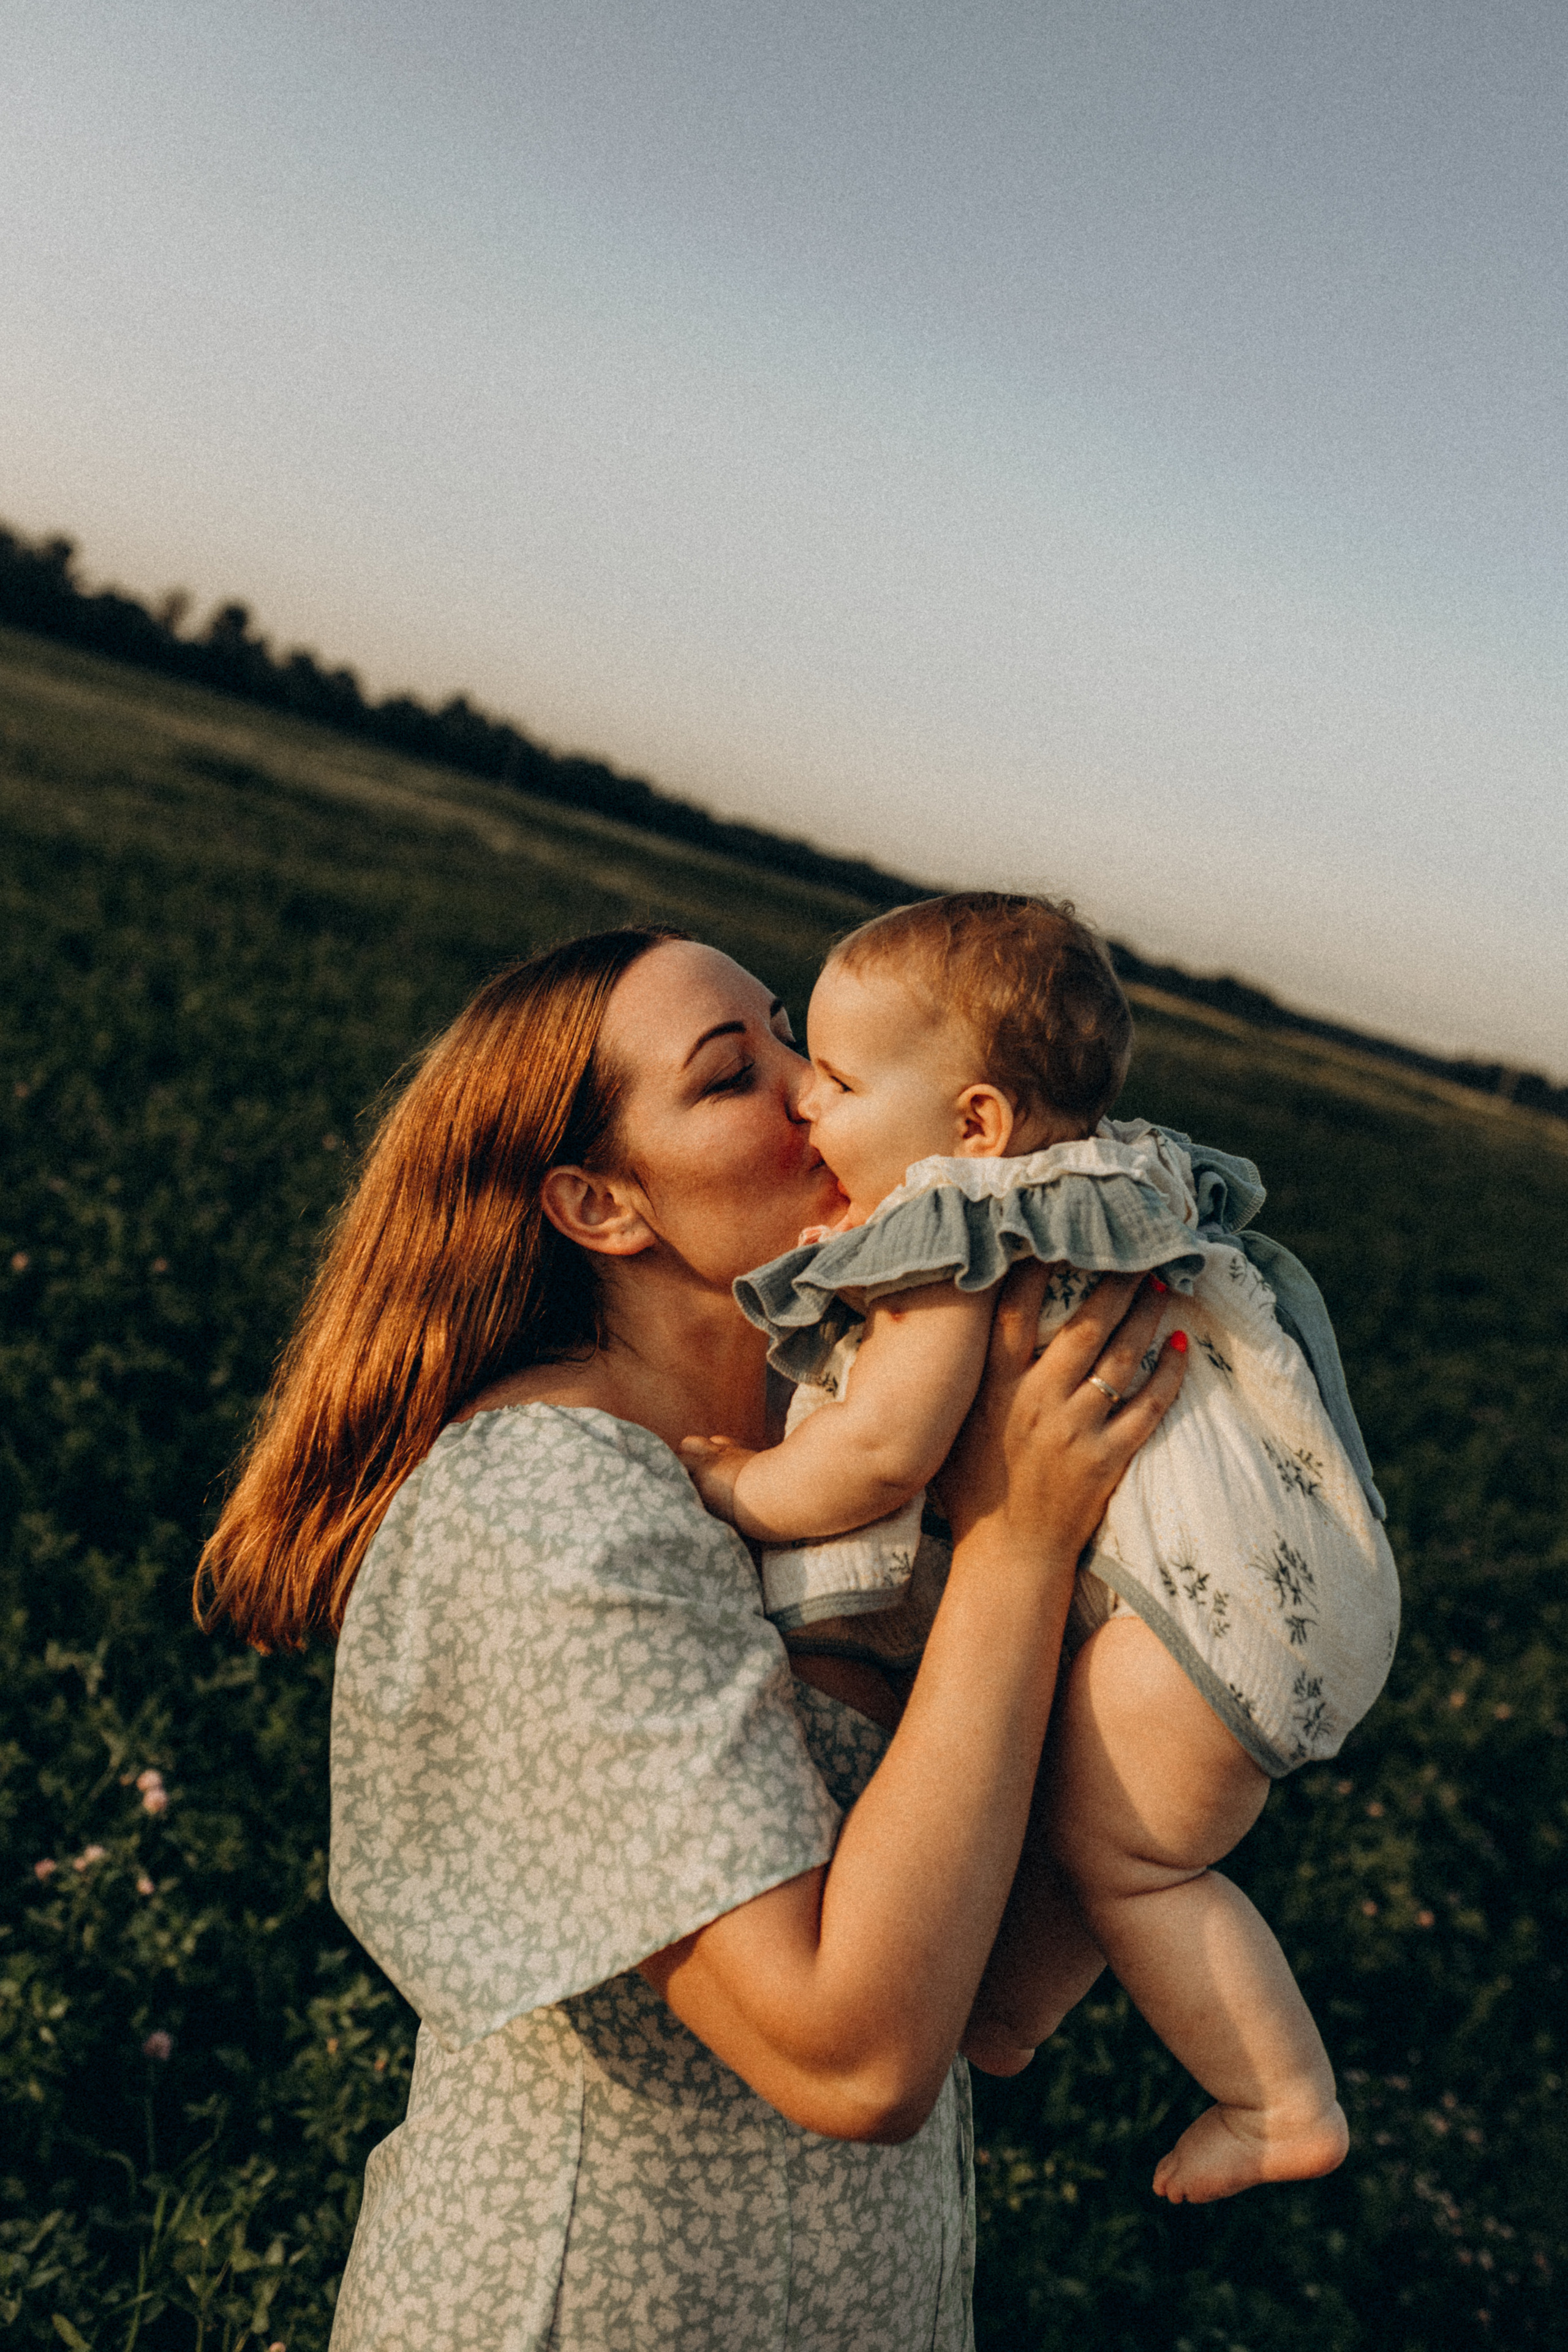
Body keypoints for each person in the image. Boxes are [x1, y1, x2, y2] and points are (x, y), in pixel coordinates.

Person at [195, 925, 1186, 2352]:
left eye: (796, 1036)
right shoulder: (546, 1504)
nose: (817, 1089)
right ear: (600, 1206)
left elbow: (968, 1969)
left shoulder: (848, 1441)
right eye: (734, 1077)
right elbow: (848, 2056)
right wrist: (1019, 1551)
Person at [682, 892, 1399, 2204]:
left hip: (1200, 1618)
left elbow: (882, 1454)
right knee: (1084, 1797)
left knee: (1136, 1860)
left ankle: (1276, 2099)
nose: (808, 1108)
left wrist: (741, 1482)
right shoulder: (1114, 1178)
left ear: (972, 1123)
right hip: (1297, 1579)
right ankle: (1005, 2015)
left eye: (836, 1081)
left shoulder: (963, 1230)